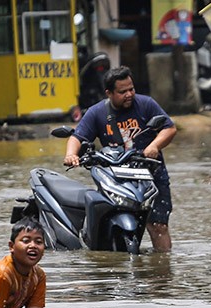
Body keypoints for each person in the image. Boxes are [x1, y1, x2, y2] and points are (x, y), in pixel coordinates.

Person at [63, 66, 178, 252]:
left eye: (131, 89)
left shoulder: (146, 104)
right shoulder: (96, 113)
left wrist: (154, 145)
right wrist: (71, 154)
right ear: (109, 93)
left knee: (158, 227)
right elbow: (77, 137)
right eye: (122, 91)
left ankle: (162, 270)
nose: (129, 94)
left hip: (151, 177)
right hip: (117, 178)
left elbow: (169, 128)